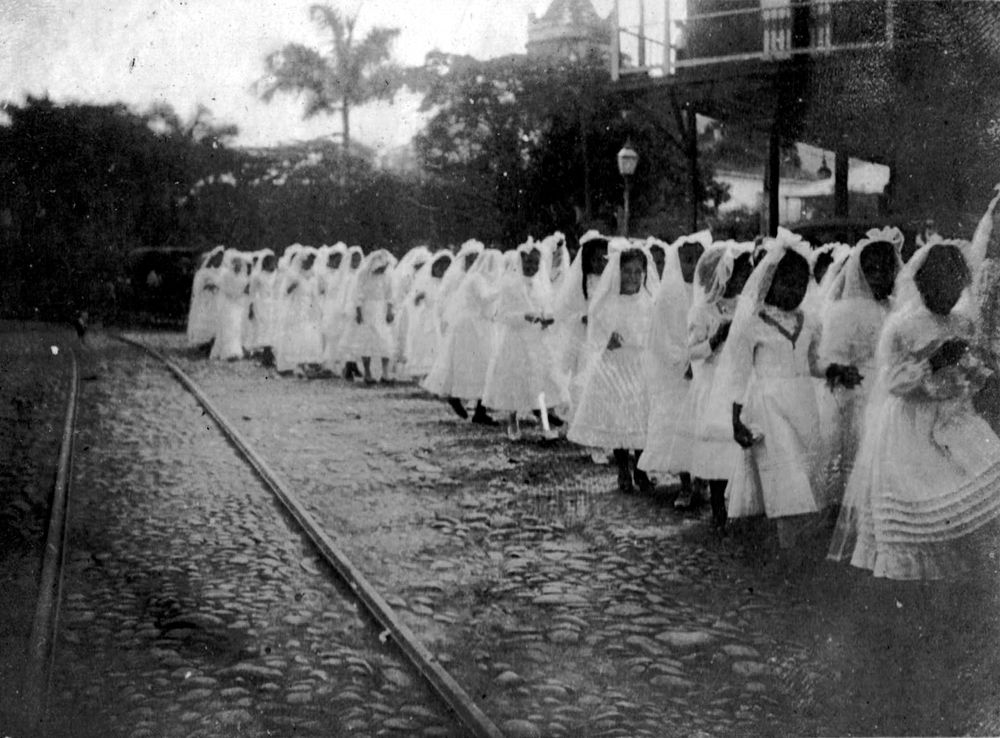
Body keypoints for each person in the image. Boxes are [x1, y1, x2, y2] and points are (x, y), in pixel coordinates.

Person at [829, 239, 1000, 580]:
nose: (948, 295)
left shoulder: (962, 324)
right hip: (912, 423)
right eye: (939, 285)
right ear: (921, 284)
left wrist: (975, 373)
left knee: (969, 483)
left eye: (955, 286)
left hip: (951, 415)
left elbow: (969, 372)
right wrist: (932, 362)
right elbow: (893, 382)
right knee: (917, 499)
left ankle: (957, 571)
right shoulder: (903, 327)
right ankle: (911, 578)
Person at [714, 232, 836, 550]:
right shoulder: (753, 322)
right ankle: (788, 547)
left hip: (803, 404)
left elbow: (812, 363)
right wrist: (735, 419)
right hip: (769, 405)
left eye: (801, 283)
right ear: (770, 280)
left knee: (805, 470)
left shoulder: (809, 322)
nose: (794, 290)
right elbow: (738, 374)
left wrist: (831, 371)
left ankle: (791, 538)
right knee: (787, 471)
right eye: (787, 281)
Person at [816, 229, 902, 505]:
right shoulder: (847, 310)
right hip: (861, 391)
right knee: (860, 447)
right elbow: (832, 354)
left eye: (886, 269)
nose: (879, 276)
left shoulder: (897, 307)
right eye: (871, 270)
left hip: (892, 386)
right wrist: (843, 372)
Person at [568, 241, 657, 494]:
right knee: (619, 418)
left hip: (640, 365)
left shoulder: (649, 302)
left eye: (637, 272)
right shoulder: (609, 301)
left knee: (641, 417)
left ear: (644, 274)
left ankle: (641, 470)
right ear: (618, 273)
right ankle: (622, 469)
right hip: (615, 366)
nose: (632, 277)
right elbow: (595, 328)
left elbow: (655, 332)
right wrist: (606, 340)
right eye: (627, 272)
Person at [681, 242, 755, 529]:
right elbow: (692, 350)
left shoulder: (749, 307)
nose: (745, 281)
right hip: (713, 381)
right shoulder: (703, 310)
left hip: (740, 379)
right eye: (740, 275)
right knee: (718, 441)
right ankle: (717, 506)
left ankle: (739, 502)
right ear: (724, 275)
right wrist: (715, 339)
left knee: (739, 442)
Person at [638, 230, 712, 505]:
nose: (691, 266)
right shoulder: (668, 297)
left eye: (697, 259)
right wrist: (683, 363)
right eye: (686, 260)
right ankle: (684, 481)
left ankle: (702, 480)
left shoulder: (708, 293)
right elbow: (662, 337)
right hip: (677, 372)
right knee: (678, 427)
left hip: (704, 366)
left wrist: (699, 360)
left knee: (703, 424)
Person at [482, 243, 567, 440]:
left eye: (536, 263)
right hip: (516, 339)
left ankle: (545, 426)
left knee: (542, 383)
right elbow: (502, 315)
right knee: (515, 381)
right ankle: (513, 420)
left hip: (537, 339)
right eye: (528, 262)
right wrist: (524, 316)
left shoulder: (541, 285)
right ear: (520, 261)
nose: (532, 267)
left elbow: (547, 308)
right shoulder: (510, 284)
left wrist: (547, 318)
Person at [422, 248, 503, 424]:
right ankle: (457, 397)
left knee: (483, 365)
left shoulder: (484, 279)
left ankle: (479, 410)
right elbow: (483, 298)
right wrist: (501, 291)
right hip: (471, 326)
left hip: (480, 325)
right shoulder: (476, 278)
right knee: (474, 364)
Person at [339, 249, 397, 384]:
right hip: (367, 310)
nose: (383, 269)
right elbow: (358, 294)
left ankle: (385, 373)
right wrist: (358, 312)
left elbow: (390, 295)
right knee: (366, 341)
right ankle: (368, 373)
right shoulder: (363, 275)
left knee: (385, 341)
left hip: (381, 310)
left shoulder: (387, 276)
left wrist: (389, 310)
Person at [403, 250, 453, 380]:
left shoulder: (448, 284)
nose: (441, 270)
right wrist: (419, 297)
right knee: (427, 346)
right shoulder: (426, 282)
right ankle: (424, 372)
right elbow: (415, 299)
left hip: (443, 318)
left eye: (445, 268)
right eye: (439, 267)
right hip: (427, 319)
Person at [275, 247, 324, 376]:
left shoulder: (313, 275)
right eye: (308, 261)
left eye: (313, 261)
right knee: (297, 333)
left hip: (309, 307)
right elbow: (284, 292)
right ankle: (297, 364)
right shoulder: (293, 275)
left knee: (309, 334)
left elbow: (315, 294)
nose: (310, 264)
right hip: (296, 307)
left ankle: (305, 362)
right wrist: (293, 286)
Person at [210, 250, 250, 361]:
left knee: (237, 327)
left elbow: (246, 291)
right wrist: (237, 293)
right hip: (229, 304)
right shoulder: (227, 276)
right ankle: (229, 352)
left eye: (239, 264)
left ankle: (236, 350)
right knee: (229, 327)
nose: (237, 266)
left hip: (239, 305)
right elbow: (225, 289)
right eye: (235, 264)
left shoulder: (244, 278)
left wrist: (243, 293)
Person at [186, 246, 225, 349]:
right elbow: (197, 287)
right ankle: (203, 341)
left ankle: (214, 341)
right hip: (206, 300)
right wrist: (207, 287)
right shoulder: (203, 273)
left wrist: (218, 287)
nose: (220, 261)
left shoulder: (223, 272)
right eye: (218, 258)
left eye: (221, 258)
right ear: (213, 258)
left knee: (216, 320)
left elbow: (225, 285)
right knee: (205, 319)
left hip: (217, 299)